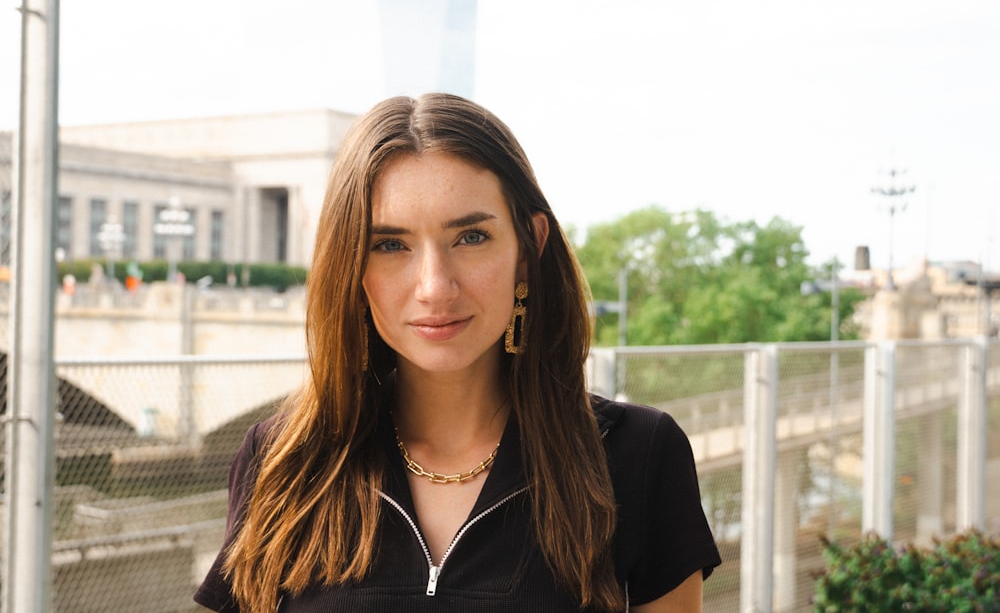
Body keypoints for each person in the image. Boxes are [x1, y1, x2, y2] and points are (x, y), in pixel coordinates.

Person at [195, 93, 721, 612]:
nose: (434, 287)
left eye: (470, 237)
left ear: (528, 246)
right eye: (389, 244)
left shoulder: (637, 456)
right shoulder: (282, 460)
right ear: (350, 265)